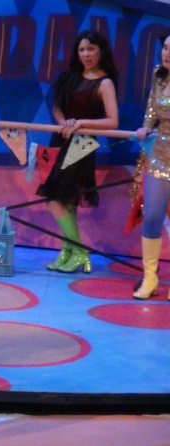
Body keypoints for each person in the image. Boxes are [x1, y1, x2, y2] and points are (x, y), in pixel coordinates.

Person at [37, 30, 119, 273]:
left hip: (81, 147)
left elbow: (113, 121)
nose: (86, 54)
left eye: (91, 49)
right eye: (82, 49)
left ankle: (80, 252)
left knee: (54, 199)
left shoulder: (105, 83)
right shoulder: (69, 77)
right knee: (66, 202)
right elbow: (57, 106)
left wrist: (81, 123)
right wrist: (63, 121)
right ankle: (68, 252)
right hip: (59, 141)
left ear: (101, 51)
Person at [133, 31, 170, 299]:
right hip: (161, 154)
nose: (168, 54)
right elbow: (152, 110)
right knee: (153, 216)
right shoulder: (159, 76)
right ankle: (149, 278)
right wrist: (146, 126)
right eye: (166, 47)